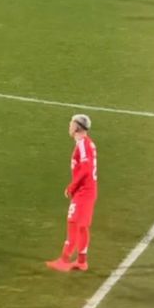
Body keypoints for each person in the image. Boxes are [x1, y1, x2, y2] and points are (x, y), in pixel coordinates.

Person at [46, 114, 98, 273]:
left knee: (74, 223)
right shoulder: (87, 143)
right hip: (88, 190)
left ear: (77, 127)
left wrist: (72, 186)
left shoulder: (83, 144)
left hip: (83, 191)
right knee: (81, 225)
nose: (69, 127)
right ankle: (81, 261)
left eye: (71, 124)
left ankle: (64, 260)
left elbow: (86, 168)